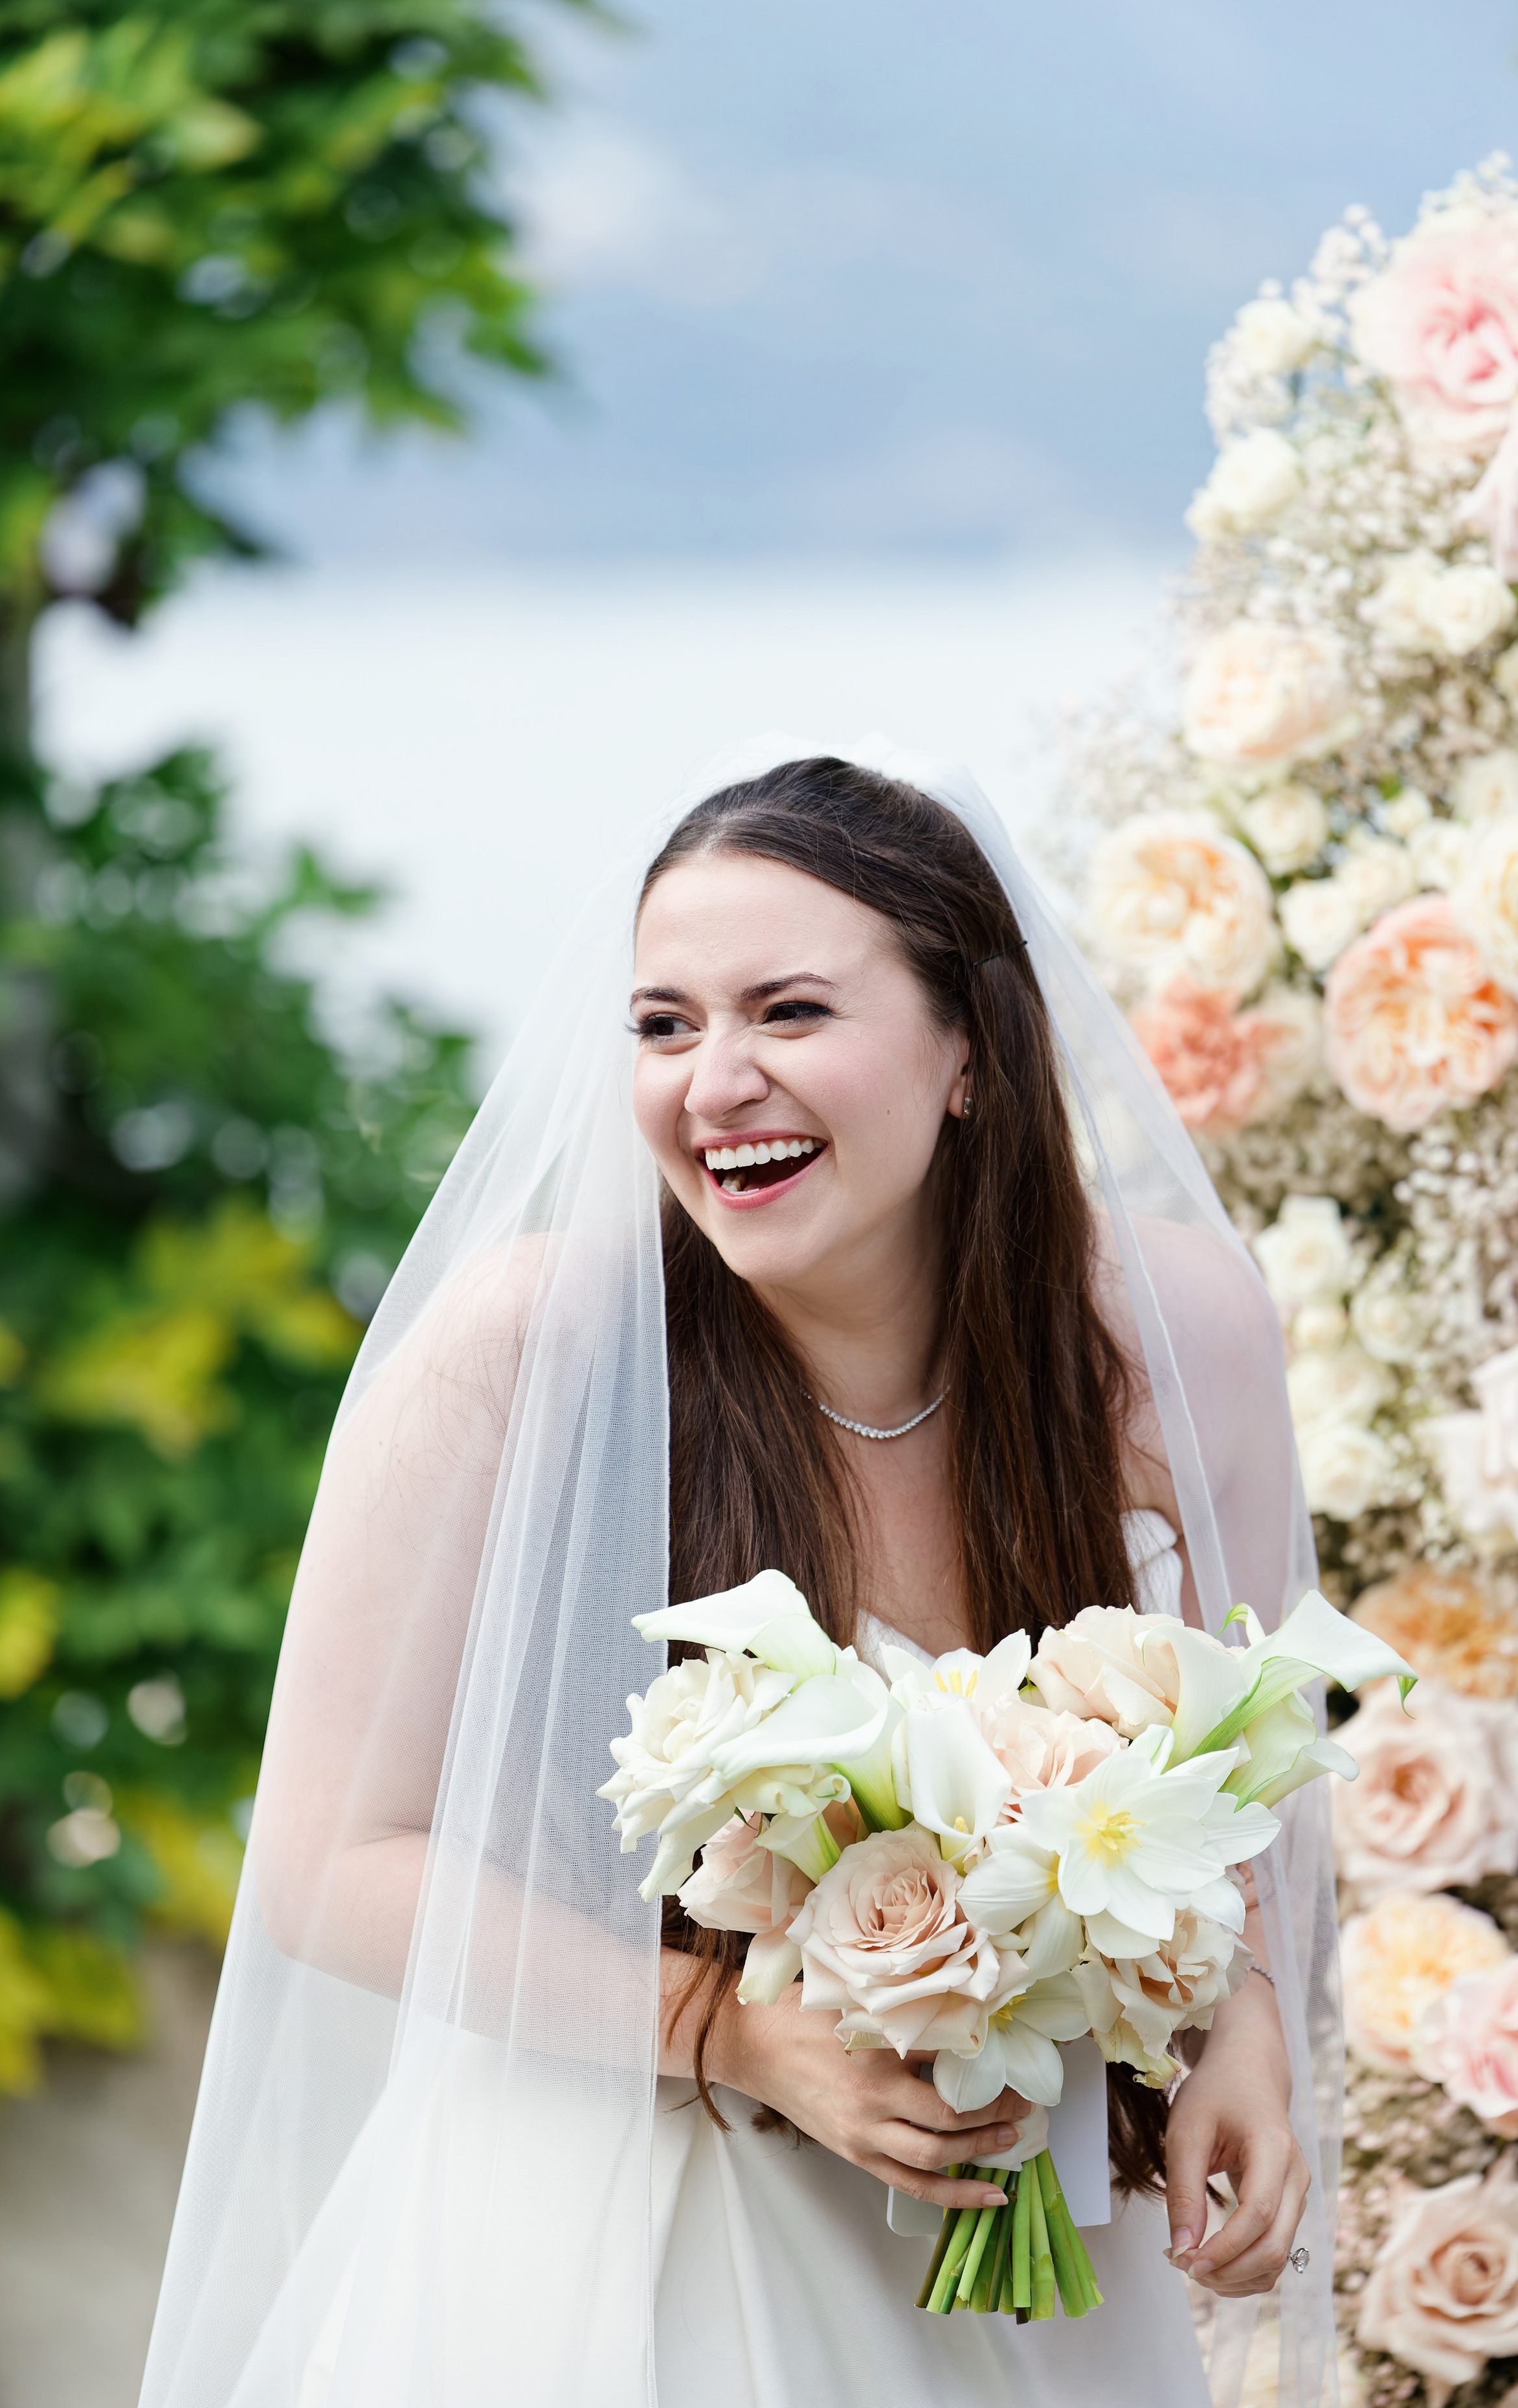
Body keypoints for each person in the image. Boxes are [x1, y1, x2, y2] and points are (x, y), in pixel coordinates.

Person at [137, 752, 1337, 2408]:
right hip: (615, 2227)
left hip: (1023, 2236)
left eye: (786, 1012)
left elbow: (1247, 1758)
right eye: (662, 1025)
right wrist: (734, 2033)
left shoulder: (1170, 1336)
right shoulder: (527, 1352)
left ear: (970, 1052)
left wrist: (1241, 2028)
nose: (714, 1084)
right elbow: (327, 1863)